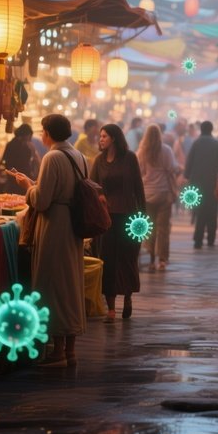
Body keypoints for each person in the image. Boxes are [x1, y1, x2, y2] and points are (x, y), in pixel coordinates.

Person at [12, 114, 86, 367]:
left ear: (48, 132)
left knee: (52, 284)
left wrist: (27, 186)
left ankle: (57, 349)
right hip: (73, 226)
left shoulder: (52, 157)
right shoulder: (79, 156)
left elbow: (42, 200)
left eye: (42, 131)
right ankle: (71, 350)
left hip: (55, 225)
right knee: (71, 283)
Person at [91, 124, 146, 321]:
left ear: (114, 138)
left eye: (104, 136)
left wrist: (143, 214)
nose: (101, 139)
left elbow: (138, 187)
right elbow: (92, 186)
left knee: (128, 258)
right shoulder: (99, 161)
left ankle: (128, 296)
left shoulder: (129, 158)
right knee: (108, 260)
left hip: (129, 217)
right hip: (107, 219)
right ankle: (111, 308)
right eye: (100, 136)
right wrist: (100, 197)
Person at [138, 123, 179, 272]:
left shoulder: (141, 152)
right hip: (163, 194)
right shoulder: (166, 150)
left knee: (150, 228)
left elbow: (140, 172)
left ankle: (151, 260)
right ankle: (162, 260)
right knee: (163, 229)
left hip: (147, 194)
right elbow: (173, 169)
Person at [184, 120, 218, 249]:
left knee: (199, 212)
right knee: (212, 212)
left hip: (197, 183)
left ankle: (198, 240)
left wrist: (186, 175)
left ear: (201, 129)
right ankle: (211, 239)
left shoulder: (196, 143)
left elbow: (189, 161)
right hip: (212, 182)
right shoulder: (216, 144)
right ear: (211, 129)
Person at [0, 123, 40, 194]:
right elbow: (26, 163)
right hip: (21, 179)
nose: (30, 138)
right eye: (30, 136)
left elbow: (4, 160)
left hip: (13, 179)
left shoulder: (11, 143)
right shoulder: (24, 145)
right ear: (26, 134)